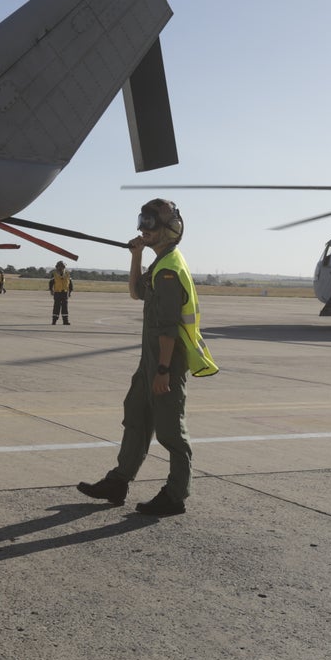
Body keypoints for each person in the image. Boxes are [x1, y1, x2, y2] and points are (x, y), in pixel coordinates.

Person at [77, 199, 218, 515]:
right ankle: (118, 481)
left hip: (166, 361)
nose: (143, 228)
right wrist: (137, 255)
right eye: (142, 221)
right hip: (150, 361)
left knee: (170, 430)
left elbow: (168, 327)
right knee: (136, 418)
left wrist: (164, 370)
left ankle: (175, 495)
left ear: (169, 229)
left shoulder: (169, 270)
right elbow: (135, 292)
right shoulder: (160, 263)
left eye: (150, 223)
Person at [48, 260, 73, 325]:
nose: (60, 268)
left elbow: (70, 284)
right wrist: (51, 290)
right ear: (57, 267)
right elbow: (51, 283)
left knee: (65, 307)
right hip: (57, 292)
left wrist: (70, 291)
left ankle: (65, 321)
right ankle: (54, 321)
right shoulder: (54, 274)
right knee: (56, 307)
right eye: (59, 267)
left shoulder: (67, 273)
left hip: (65, 293)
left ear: (64, 267)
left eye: (62, 267)